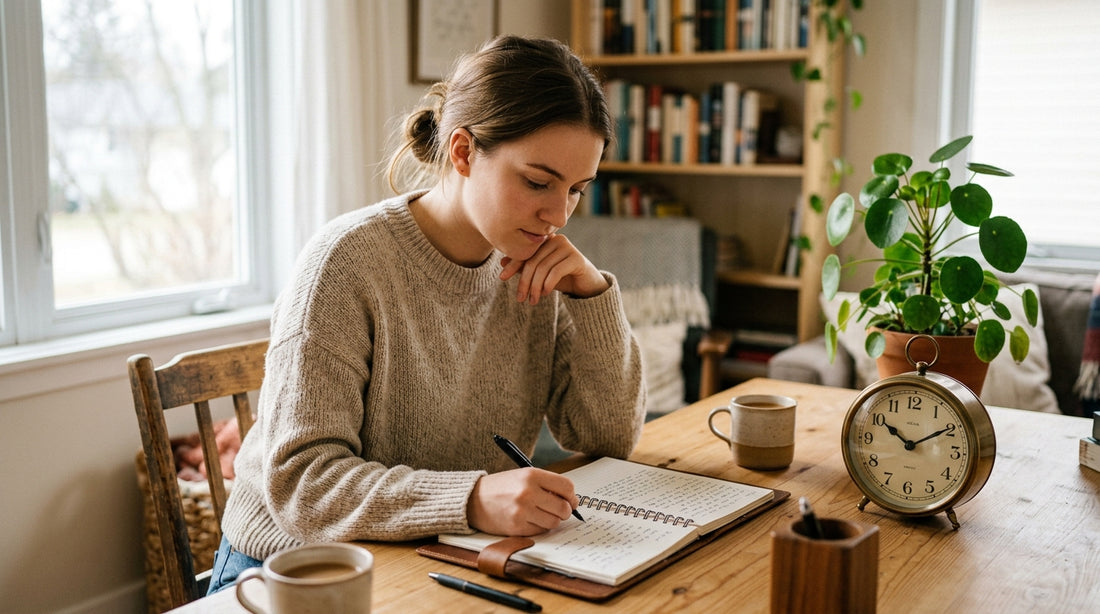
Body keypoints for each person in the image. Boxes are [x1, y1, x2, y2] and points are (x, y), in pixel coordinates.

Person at [207, 35, 646, 593]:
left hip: (434, 552)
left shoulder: (535, 266)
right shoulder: (345, 263)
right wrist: (472, 498)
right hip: (294, 569)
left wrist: (591, 295)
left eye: (577, 189)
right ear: (462, 152)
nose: (558, 215)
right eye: (538, 182)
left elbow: (606, 436)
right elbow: (303, 485)